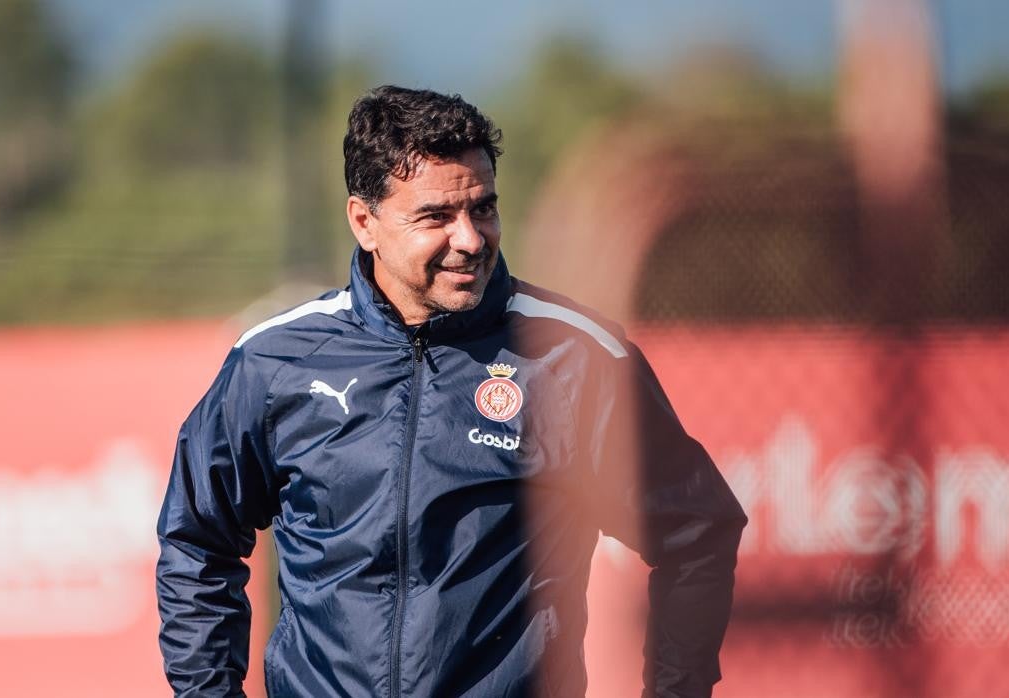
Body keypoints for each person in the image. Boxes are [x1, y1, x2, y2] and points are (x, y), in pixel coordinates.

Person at [156, 85, 746, 697]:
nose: (469, 238)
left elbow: (696, 531)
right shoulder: (274, 360)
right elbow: (198, 541)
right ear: (365, 221)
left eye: (483, 209)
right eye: (436, 217)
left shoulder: (576, 358)